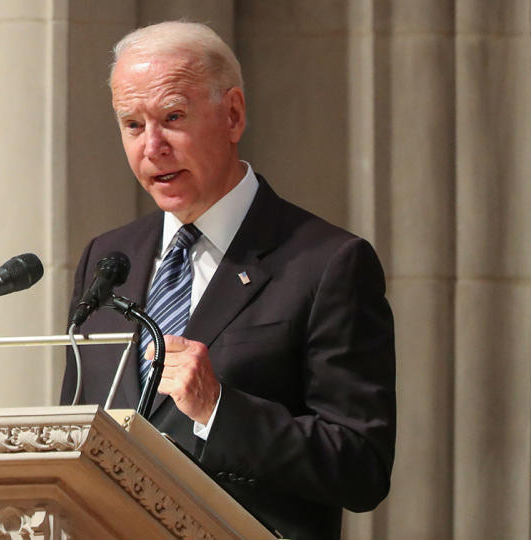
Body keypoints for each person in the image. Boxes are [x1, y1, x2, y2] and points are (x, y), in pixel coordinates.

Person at [60, 21, 396, 539]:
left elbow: (361, 467)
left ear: (233, 114)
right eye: (132, 124)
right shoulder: (107, 258)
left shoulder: (328, 263)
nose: (152, 147)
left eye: (173, 117)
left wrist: (218, 409)